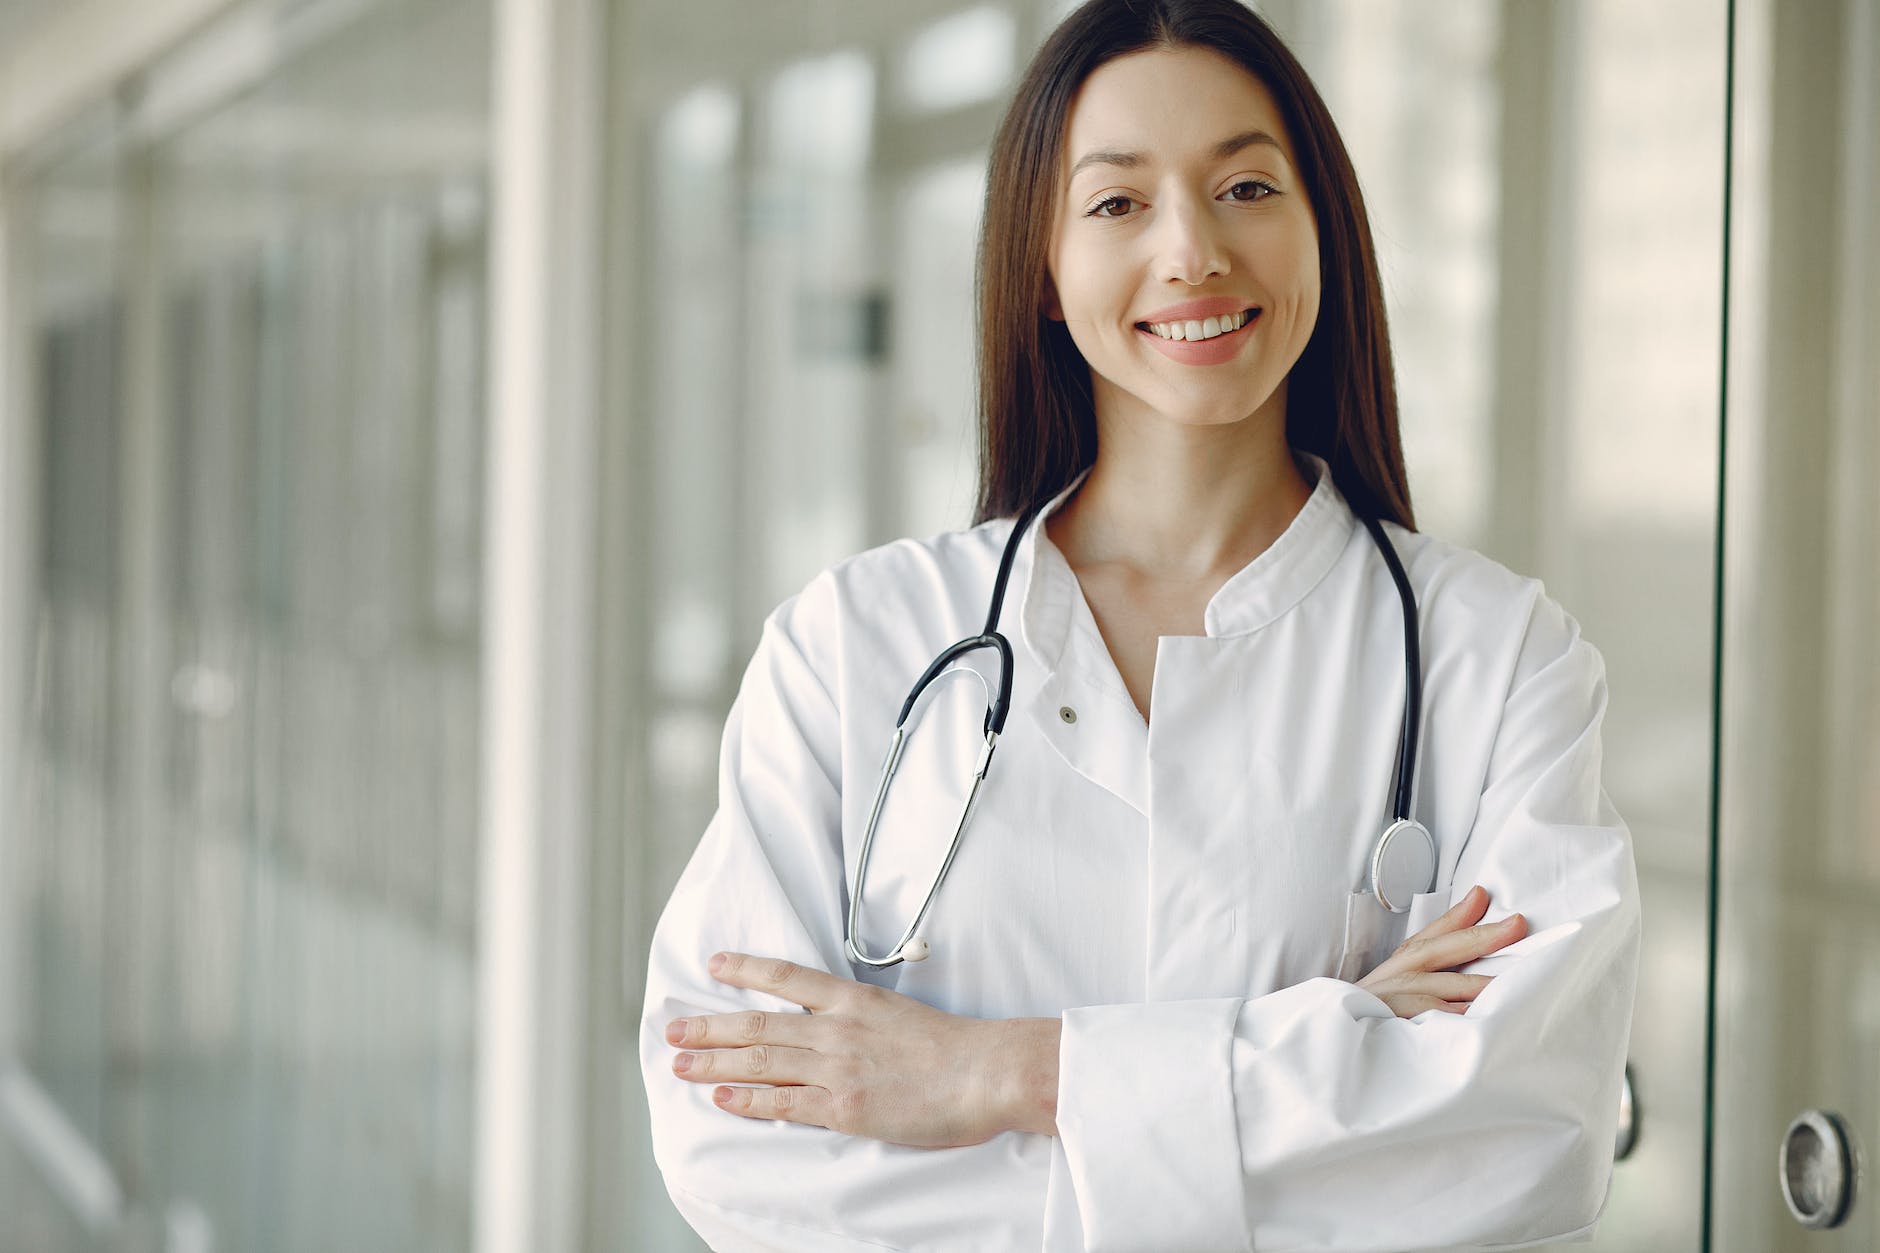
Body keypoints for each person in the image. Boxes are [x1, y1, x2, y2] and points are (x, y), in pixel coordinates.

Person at [639, 0, 1641, 1248]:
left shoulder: (1496, 657)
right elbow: (737, 1142)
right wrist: (1332, 1055)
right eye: (1116, 203)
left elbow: (1520, 1135)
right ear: (1042, 273)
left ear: (1320, 226)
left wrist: (997, 1076)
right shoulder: (854, 644)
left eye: (1245, 187)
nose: (1191, 252)